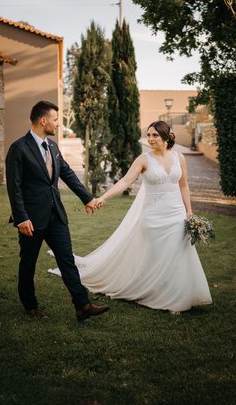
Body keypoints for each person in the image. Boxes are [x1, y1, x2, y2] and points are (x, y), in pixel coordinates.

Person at [49, 120, 212, 313]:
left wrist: (189, 210)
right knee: (157, 257)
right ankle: (156, 292)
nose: (150, 139)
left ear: (166, 137)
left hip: (176, 214)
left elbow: (183, 185)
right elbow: (125, 181)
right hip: (153, 216)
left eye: (155, 135)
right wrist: (102, 198)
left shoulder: (179, 158)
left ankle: (177, 296)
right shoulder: (144, 159)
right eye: (148, 135)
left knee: (178, 256)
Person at [5, 100, 110, 321]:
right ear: (43, 121)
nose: (58, 124)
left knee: (66, 260)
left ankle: (82, 305)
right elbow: (14, 187)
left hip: (56, 216)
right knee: (28, 263)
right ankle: (30, 305)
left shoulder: (52, 146)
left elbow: (68, 174)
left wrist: (87, 198)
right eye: (55, 120)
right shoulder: (19, 148)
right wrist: (21, 218)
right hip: (31, 220)